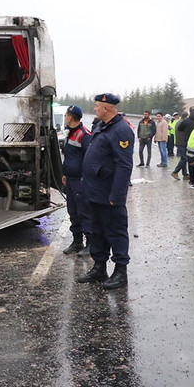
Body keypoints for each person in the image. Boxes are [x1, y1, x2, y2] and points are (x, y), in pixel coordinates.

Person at [77, 93, 134, 290]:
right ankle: (100, 267)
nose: (95, 109)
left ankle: (120, 271)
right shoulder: (102, 126)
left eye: (97, 106)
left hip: (108, 193)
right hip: (95, 191)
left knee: (116, 231)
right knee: (98, 231)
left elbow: (124, 165)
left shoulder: (121, 129)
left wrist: (117, 196)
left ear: (106, 108)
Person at [61, 105, 92, 257]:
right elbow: (69, 157)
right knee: (73, 211)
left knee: (83, 212)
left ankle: (90, 243)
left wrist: (84, 178)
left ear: (70, 117)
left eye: (66, 115)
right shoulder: (70, 133)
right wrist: (65, 173)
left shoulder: (83, 135)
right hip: (71, 179)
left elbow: (89, 159)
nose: (65, 118)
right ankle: (77, 241)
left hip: (80, 181)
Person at [176, 106, 194, 188]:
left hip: (189, 143)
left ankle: (192, 180)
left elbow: (180, 129)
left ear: (190, 112)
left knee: (190, 162)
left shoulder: (186, 121)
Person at [170, 111, 190, 181]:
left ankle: (185, 174)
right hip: (182, 142)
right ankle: (175, 172)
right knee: (184, 158)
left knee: (183, 158)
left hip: (179, 142)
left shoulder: (179, 121)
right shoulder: (183, 123)